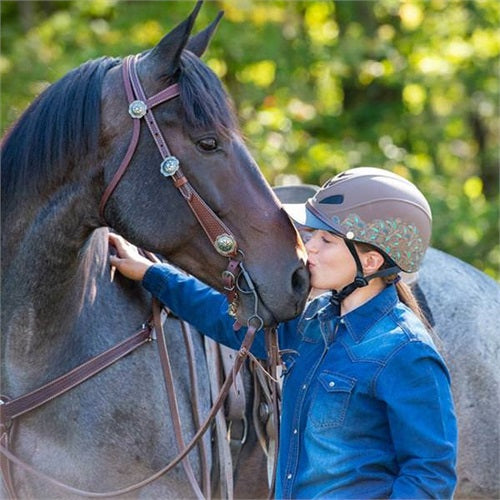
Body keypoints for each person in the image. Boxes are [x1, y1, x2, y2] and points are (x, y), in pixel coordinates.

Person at [109, 167, 458, 499]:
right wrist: (152, 275)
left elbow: (430, 477)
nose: (311, 249)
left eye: (327, 240)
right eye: (311, 236)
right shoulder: (312, 323)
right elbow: (226, 318)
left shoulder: (406, 352)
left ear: (370, 263)